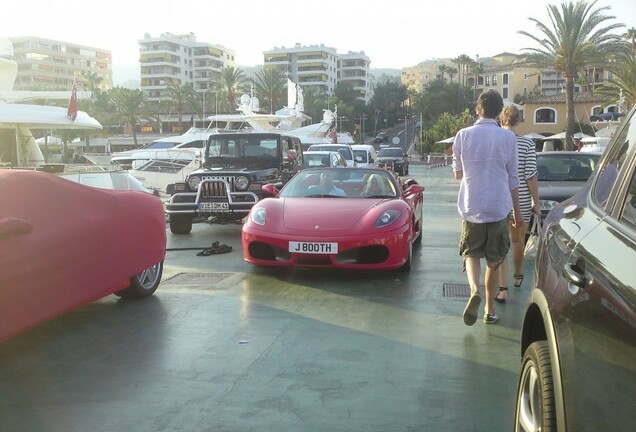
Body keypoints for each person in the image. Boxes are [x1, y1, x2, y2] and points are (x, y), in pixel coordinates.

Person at [452, 90, 522, 325]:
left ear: (477, 110)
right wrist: (518, 213)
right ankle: (489, 311)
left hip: (472, 206)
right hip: (498, 207)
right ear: (499, 112)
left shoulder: (462, 135)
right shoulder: (508, 138)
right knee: (494, 260)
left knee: (471, 253)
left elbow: (458, 174)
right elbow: (513, 178)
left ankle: (474, 290)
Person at [495, 105, 541, 303]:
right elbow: (531, 175)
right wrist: (536, 203)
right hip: (520, 199)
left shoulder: (496, 141)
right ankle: (518, 275)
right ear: (518, 121)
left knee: (501, 243)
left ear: (502, 120)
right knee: (517, 240)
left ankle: (502, 285)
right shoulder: (527, 144)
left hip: (497, 198)